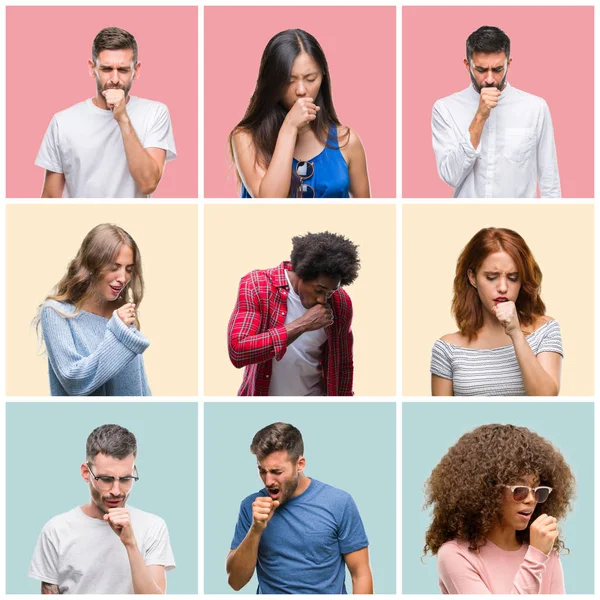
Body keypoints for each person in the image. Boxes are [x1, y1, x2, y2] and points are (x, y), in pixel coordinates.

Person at [423, 423, 575, 594]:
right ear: (489, 491)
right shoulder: (455, 555)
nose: (531, 499)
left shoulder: (546, 554)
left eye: (538, 491)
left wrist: (539, 554)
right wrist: (535, 558)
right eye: (520, 490)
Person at [227, 422, 373, 593]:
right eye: (262, 471)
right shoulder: (251, 507)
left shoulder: (339, 502)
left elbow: (360, 574)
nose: (268, 481)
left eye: (276, 472)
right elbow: (235, 582)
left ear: (300, 464)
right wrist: (256, 529)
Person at [28, 424, 175, 593]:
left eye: (126, 478)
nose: (116, 491)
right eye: (106, 479)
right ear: (85, 472)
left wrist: (130, 543)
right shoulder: (56, 530)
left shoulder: (153, 526)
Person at [36, 27, 176, 198]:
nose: (115, 79)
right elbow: (50, 198)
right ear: (92, 68)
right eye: (106, 69)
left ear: (136, 70)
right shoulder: (62, 122)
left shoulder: (155, 113)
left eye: (123, 70)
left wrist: (123, 119)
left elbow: (148, 183)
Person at [230, 29, 370, 198]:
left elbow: (365, 217)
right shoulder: (246, 138)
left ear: (323, 78)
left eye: (310, 79)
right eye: (289, 81)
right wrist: (289, 127)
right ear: (272, 82)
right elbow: (269, 205)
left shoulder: (346, 141)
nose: (301, 90)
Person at [431, 227, 562, 396]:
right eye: (491, 277)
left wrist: (516, 333)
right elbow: (443, 414)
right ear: (472, 277)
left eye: (513, 277)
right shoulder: (447, 348)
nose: (503, 287)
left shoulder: (545, 330)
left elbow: (546, 398)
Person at [431, 26, 560, 198]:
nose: (490, 79)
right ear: (467, 65)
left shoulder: (535, 108)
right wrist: (479, 117)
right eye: (481, 70)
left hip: (518, 221)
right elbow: (450, 176)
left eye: (498, 69)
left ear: (508, 64)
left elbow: (549, 181)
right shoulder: (445, 109)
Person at [227, 231, 359, 396]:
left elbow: (343, 365)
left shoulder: (340, 302)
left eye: (330, 292)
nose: (322, 299)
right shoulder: (257, 285)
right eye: (319, 289)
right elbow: (238, 351)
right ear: (300, 273)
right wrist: (303, 324)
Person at [35, 223, 151, 396]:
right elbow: (74, 381)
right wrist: (118, 330)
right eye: (114, 268)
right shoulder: (56, 313)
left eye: (129, 270)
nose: (123, 278)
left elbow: (140, 386)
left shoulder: (122, 314)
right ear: (92, 265)